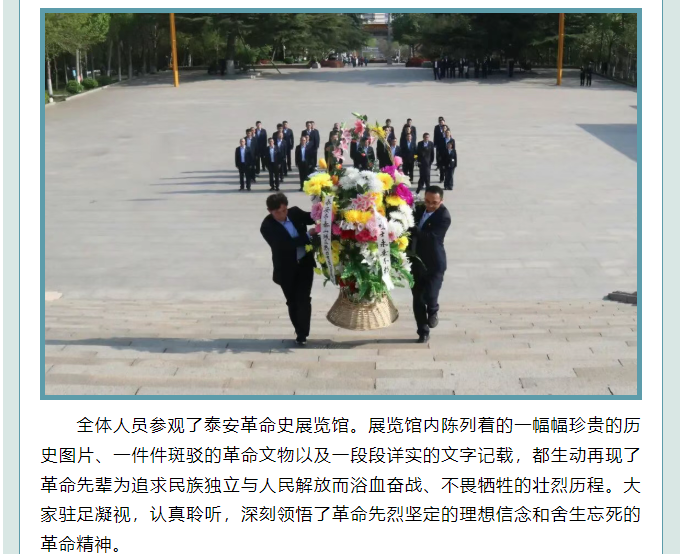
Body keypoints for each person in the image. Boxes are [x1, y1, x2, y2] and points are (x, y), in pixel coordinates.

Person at [260, 193, 317, 346]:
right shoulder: (267, 227)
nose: (282, 214)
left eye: (284, 210)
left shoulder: (295, 213)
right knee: (292, 302)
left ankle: (302, 334)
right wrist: (308, 235)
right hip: (286, 269)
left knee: (304, 299)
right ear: (270, 211)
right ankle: (299, 330)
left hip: (304, 263)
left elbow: (312, 217)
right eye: (277, 212)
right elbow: (284, 245)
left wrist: (322, 208)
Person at [409, 186, 451, 342]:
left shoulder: (444, 216)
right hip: (416, 262)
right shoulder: (419, 209)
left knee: (431, 296)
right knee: (418, 299)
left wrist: (414, 230)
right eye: (427, 201)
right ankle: (423, 331)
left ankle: (433, 310)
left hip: (434, 263)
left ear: (441, 201)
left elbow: (432, 237)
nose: (430, 205)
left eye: (434, 202)